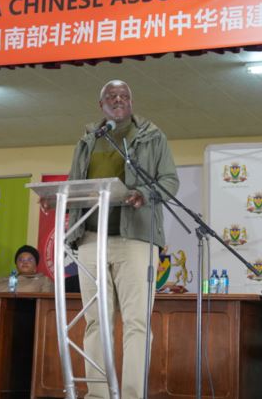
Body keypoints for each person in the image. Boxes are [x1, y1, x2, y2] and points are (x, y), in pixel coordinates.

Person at [67, 79, 179, 399]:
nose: (118, 99)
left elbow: (169, 180)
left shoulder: (152, 136)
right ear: (100, 104)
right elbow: (75, 183)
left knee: (137, 323)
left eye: (124, 95)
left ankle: (132, 395)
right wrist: (57, 199)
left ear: (131, 102)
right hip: (91, 239)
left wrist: (143, 193)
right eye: (111, 96)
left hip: (137, 239)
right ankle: (98, 395)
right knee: (95, 322)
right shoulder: (88, 140)